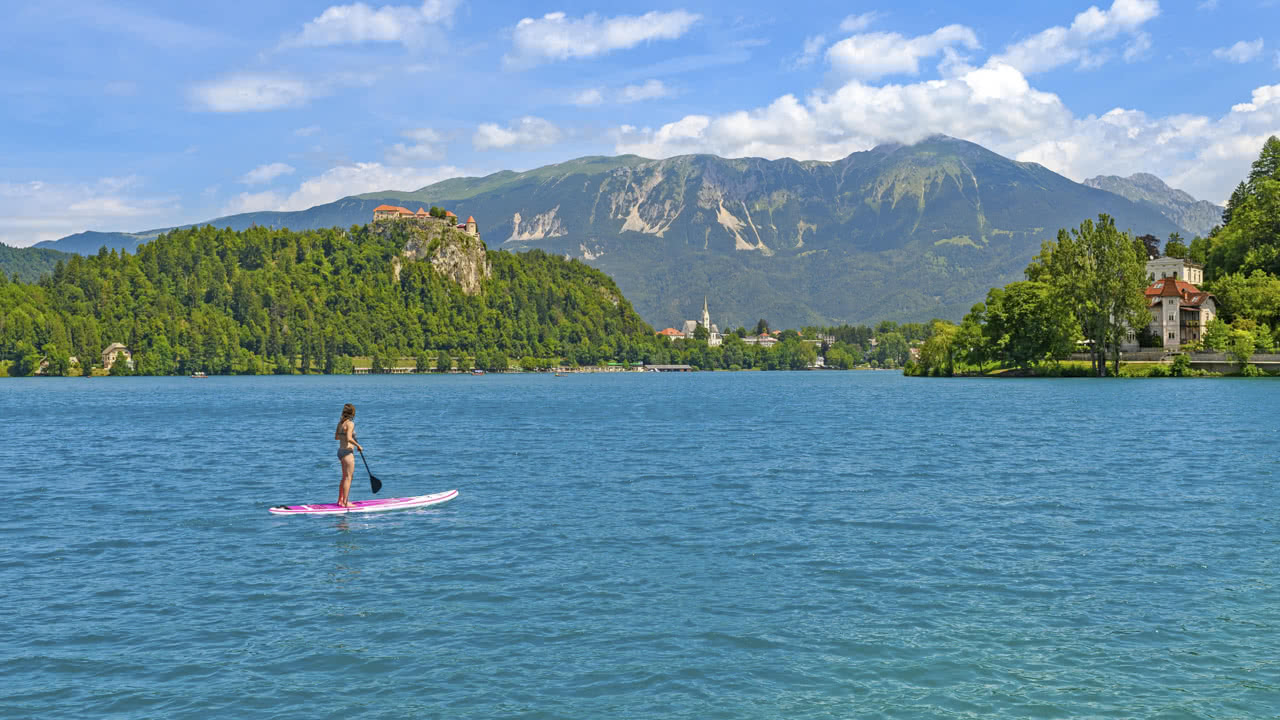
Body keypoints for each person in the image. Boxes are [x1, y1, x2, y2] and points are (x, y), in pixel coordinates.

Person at [334, 403, 363, 507]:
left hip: (340, 452)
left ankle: (340, 501)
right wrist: (358, 446)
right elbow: (349, 438)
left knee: (344, 477)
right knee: (348, 477)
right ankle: (346, 502)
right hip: (347, 453)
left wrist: (345, 435)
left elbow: (336, 437)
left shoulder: (340, 423)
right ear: (352, 413)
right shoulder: (350, 424)